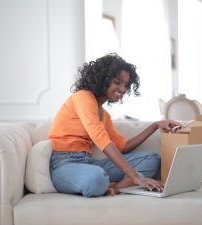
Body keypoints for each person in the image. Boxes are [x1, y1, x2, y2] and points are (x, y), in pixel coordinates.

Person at [48, 53, 182, 197]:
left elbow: (124, 146)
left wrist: (155, 125)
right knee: (96, 178)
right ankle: (103, 183)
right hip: (63, 164)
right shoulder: (82, 97)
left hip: (87, 163)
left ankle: (115, 189)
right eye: (117, 82)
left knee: (151, 159)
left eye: (126, 85)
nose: (123, 89)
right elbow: (100, 138)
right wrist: (135, 176)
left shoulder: (104, 115)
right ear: (102, 80)